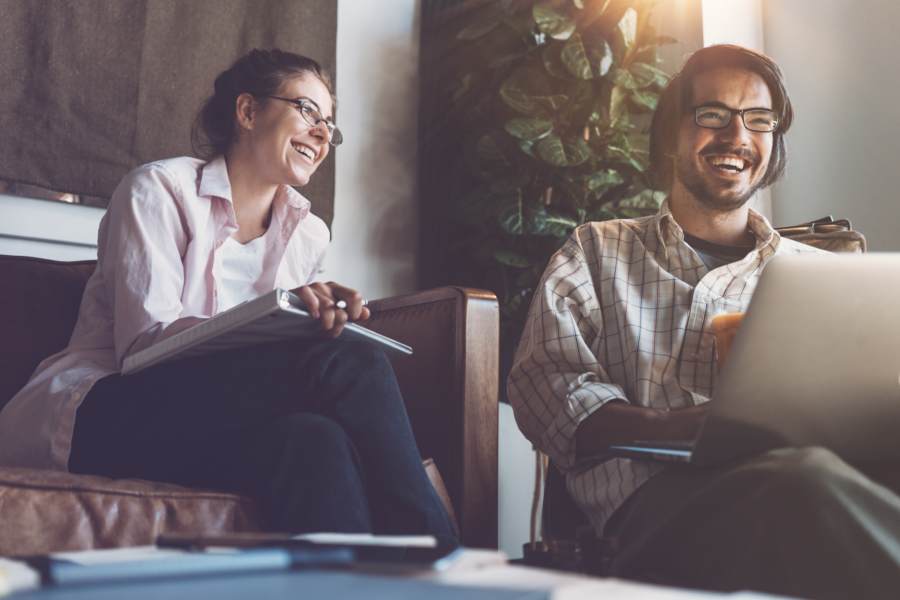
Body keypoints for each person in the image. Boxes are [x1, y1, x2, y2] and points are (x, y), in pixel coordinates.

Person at [0, 48, 457, 545]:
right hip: (99, 410)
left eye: (330, 122)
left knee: (313, 440)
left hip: (208, 420)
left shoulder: (309, 235)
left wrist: (304, 318)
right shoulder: (157, 190)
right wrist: (280, 326)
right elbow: (142, 350)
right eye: (307, 110)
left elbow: (257, 388)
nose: (324, 133)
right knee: (354, 362)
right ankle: (441, 563)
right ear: (247, 111)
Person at [508, 44, 900, 597]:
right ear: (672, 134)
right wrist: (679, 428)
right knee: (799, 479)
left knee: (824, 475)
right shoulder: (598, 250)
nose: (738, 136)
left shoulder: (816, 274)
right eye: (712, 115)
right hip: (650, 510)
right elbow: (544, 388)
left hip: (814, 487)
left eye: (758, 120)